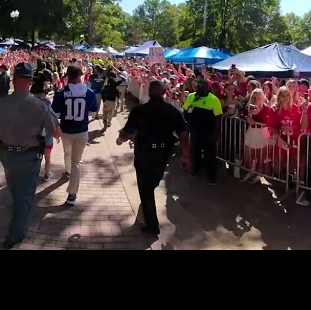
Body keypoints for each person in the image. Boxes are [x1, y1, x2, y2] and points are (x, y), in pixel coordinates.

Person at [0, 62, 61, 249]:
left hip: (7, 155)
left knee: (15, 185)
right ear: (30, 81)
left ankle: (18, 212)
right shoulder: (40, 105)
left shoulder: (0, 103)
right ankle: (15, 235)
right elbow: (56, 132)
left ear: (14, 80)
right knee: (25, 196)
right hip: (30, 156)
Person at [116, 80, 189, 236]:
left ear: (148, 92)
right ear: (163, 93)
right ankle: (149, 218)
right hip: (162, 155)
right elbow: (183, 135)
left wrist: (120, 139)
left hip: (144, 154)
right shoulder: (172, 111)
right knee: (151, 184)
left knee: (146, 188)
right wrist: (186, 156)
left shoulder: (139, 110)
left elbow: (127, 132)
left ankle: (152, 226)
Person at [51, 64, 98, 205]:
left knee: (67, 153)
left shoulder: (60, 93)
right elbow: (92, 112)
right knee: (76, 161)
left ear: (68, 76)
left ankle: (68, 172)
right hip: (82, 130)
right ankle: (72, 193)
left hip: (66, 130)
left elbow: (56, 114)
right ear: (80, 76)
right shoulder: (89, 93)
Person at [183, 78, 223, 184]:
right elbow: (185, 111)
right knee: (194, 152)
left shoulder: (214, 99)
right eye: (198, 86)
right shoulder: (191, 97)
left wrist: (216, 133)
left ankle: (212, 176)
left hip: (209, 132)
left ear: (207, 88)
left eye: (202, 86)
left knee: (210, 154)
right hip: (195, 131)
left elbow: (218, 117)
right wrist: (189, 123)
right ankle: (194, 171)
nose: (200, 88)